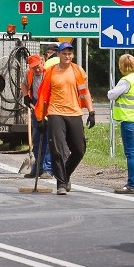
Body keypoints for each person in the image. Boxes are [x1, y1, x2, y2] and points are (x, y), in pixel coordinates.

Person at [34, 41, 94, 195]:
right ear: (59, 54)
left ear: (72, 55)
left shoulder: (78, 71)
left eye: (70, 54)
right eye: (64, 53)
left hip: (74, 112)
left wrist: (91, 111)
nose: (67, 56)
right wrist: (40, 117)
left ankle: (65, 174)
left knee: (79, 150)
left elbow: (84, 92)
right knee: (58, 149)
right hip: (55, 113)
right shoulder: (51, 72)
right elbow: (43, 96)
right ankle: (61, 184)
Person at [108, 54, 134, 194]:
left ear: (121, 66)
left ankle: (131, 185)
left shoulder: (126, 81)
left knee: (131, 154)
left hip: (129, 121)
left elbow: (111, 95)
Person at [22, 54, 52, 179]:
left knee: (49, 139)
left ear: (42, 62)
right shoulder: (29, 73)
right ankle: (38, 168)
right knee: (37, 138)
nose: (37, 70)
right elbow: (24, 85)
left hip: (49, 107)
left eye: (38, 66)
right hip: (36, 107)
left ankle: (48, 169)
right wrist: (25, 96)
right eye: (34, 68)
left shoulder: (50, 73)